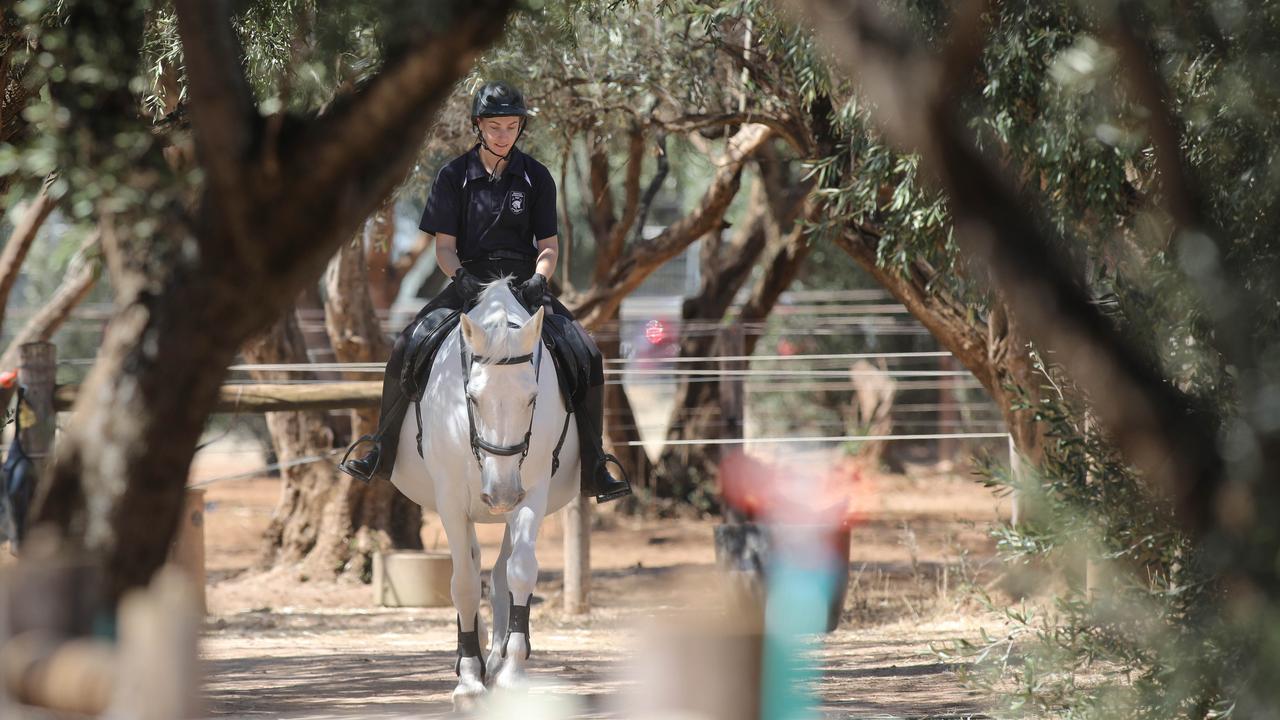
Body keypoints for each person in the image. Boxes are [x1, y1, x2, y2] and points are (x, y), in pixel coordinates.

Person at [339, 81, 632, 504]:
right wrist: (459, 277)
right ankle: (381, 448)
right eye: (495, 127)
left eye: (512, 126)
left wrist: (540, 277)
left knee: (586, 351)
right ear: (478, 125)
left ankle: (595, 461)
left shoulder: (536, 177)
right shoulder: (453, 176)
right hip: (468, 281)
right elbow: (443, 247)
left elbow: (548, 246)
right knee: (408, 343)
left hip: (524, 283)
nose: (503, 135)